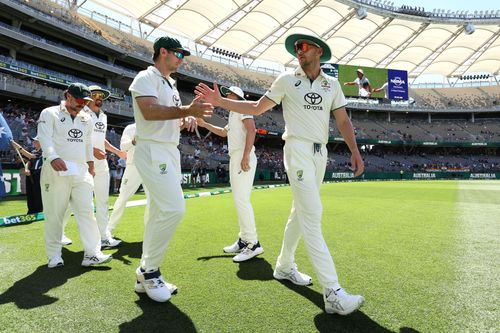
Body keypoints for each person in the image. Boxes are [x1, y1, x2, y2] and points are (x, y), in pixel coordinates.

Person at [195, 33, 365, 315]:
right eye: (296, 47)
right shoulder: (287, 80)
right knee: (312, 215)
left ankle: (284, 266)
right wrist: (221, 102)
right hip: (296, 150)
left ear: (319, 51)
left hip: (319, 153)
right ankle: (333, 292)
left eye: (304, 46)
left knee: (300, 212)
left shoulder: (332, 84)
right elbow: (256, 108)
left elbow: (343, 120)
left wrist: (355, 151)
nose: (298, 50)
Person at [128, 36, 213, 302]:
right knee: (174, 208)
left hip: (167, 149)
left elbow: (167, 115)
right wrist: (186, 109)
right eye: (178, 53)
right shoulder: (146, 77)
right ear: (162, 51)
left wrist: (185, 117)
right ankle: (149, 270)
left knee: (156, 212)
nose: (181, 59)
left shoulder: (171, 84)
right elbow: (150, 113)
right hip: (153, 149)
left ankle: (146, 274)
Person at [37, 82, 112, 268]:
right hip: (56, 170)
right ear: (67, 96)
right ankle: (54, 255)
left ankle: (92, 254)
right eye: (79, 100)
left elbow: (87, 144)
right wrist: (53, 157)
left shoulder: (86, 118)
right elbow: (44, 138)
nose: (82, 104)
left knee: (87, 212)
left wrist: (91, 165)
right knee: (55, 214)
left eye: (85, 101)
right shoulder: (49, 113)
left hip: (81, 172)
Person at [197, 85, 262, 262]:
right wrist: (204, 124)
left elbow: (252, 130)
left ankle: (253, 243)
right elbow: (223, 132)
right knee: (239, 199)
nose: (227, 96)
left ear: (238, 97)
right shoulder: (233, 113)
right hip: (236, 156)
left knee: (242, 200)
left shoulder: (243, 109)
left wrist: (246, 155)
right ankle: (244, 239)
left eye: (230, 94)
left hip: (242, 155)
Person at [61, 85, 125, 248]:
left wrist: (117, 152)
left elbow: (101, 139)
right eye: (95, 95)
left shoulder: (102, 116)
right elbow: (73, 138)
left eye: (101, 96)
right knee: (73, 200)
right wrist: (92, 150)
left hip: (101, 163)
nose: (99, 98)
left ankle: (104, 237)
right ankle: (58, 232)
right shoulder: (80, 113)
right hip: (82, 161)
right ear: (88, 98)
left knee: (103, 200)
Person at [108, 123, 143, 235]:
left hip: (152, 167)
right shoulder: (131, 128)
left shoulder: (155, 125)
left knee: (154, 200)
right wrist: (134, 141)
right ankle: (108, 229)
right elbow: (123, 147)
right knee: (123, 197)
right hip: (134, 165)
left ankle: (151, 231)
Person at [11, 138, 43, 214]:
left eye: (36, 141)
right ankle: (31, 210)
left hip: (39, 173)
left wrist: (18, 147)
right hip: (30, 173)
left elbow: (31, 156)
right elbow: (29, 161)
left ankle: (38, 210)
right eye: (33, 141)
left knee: (37, 192)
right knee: (30, 192)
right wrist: (26, 168)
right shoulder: (34, 151)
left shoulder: (43, 151)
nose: (34, 142)